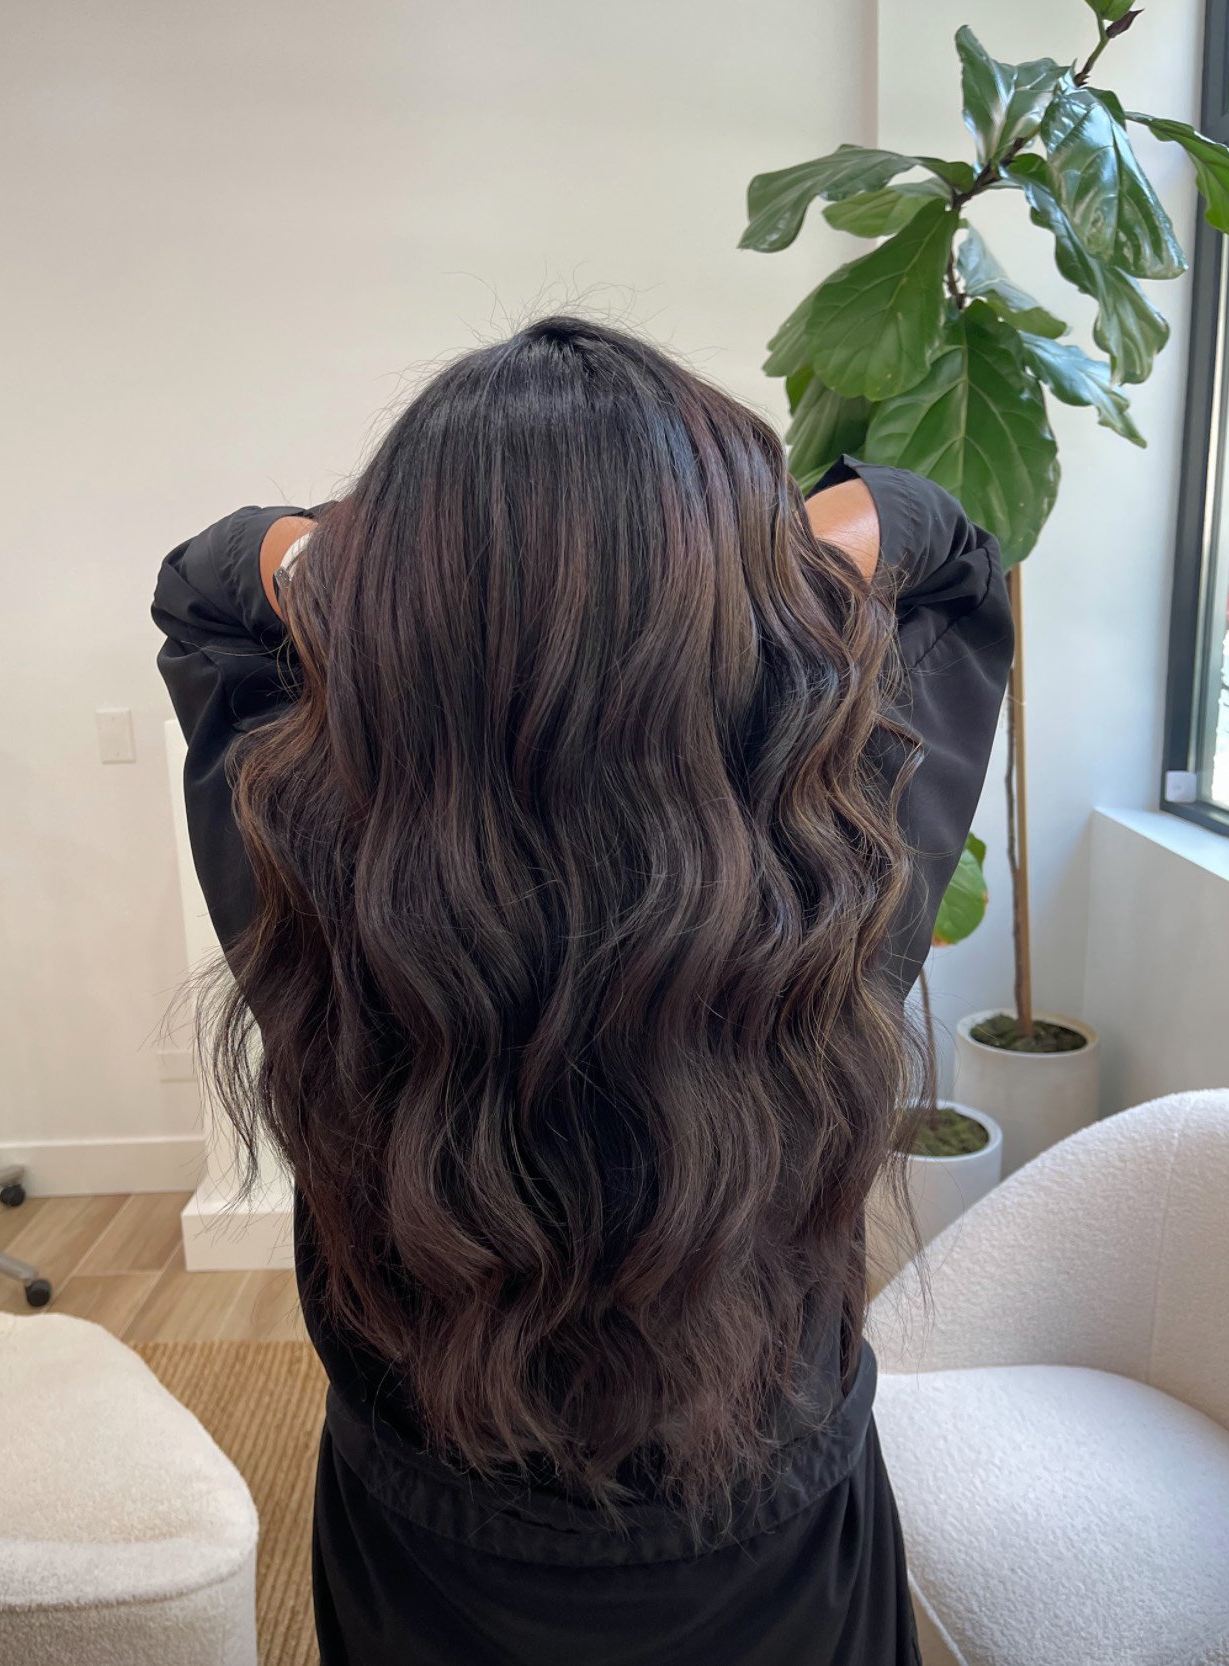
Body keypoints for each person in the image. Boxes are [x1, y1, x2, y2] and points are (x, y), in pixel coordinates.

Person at [152, 315, 1013, 1666]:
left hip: (422, 1577)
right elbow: (949, 547)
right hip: (778, 1578)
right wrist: (737, 561)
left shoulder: (311, 888)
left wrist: (411, 567)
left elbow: (208, 586)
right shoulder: (837, 897)